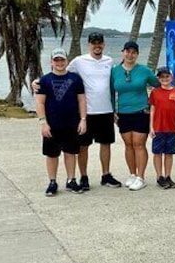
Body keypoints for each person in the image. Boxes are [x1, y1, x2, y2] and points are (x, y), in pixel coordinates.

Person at [32, 33, 122, 190]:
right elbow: (59, 71)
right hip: (87, 112)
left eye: (99, 43)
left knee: (105, 144)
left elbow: (116, 80)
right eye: (93, 43)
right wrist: (37, 81)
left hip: (106, 110)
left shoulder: (109, 61)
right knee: (82, 146)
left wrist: (116, 108)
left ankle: (106, 175)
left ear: (104, 44)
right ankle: (83, 176)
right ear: (88, 45)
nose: (97, 46)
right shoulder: (79, 61)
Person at [35, 48, 87, 196]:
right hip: (52, 124)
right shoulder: (44, 80)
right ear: (51, 62)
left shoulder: (75, 79)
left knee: (70, 152)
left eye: (62, 60)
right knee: (52, 154)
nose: (59, 63)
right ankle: (52, 181)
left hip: (72, 123)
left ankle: (71, 180)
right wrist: (43, 122)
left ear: (67, 61)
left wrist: (83, 120)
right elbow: (40, 103)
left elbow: (82, 100)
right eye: (56, 60)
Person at [111, 40, 159, 191]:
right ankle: (132, 174)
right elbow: (111, 92)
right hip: (123, 113)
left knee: (139, 144)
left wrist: (153, 105)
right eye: (128, 51)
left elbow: (158, 86)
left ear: (137, 54)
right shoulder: (115, 71)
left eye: (133, 52)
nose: (130, 55)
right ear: (123, 52)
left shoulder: (144, 71)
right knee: (128, 144)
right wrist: (113, 110)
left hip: (141, 111)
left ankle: (141, 177)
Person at [149, 66, 175, 189]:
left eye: (167, 76)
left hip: (172, 128)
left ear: (171, 77)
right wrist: (151, 127)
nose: (165, 79)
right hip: (158, 127)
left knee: (169, 153)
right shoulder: (155, 92)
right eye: (162, 77)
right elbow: (152, 110)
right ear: (159, 79)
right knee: (157, 153)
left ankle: (168, 176)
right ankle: (159, 176)